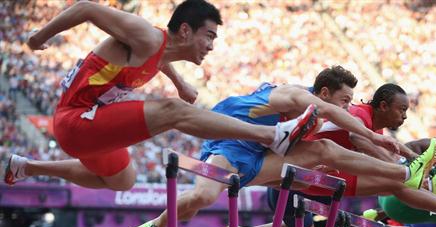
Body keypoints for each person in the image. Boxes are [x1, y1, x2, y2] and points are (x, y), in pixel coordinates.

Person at [123, 75, 436, 227]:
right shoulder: (290, 94)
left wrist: (389, 148)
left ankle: (417, 177)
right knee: (200, 199)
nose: (347, 106)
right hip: (233, 146)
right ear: (323, 93)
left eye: (350, 100)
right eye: (343, 99)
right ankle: (155, 226)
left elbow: (341, 124)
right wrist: (378, 139)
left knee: (324, 154)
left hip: (277, 159)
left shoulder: (333, 112)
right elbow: (336, 118)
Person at [4, 0, 319, 190]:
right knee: (171, 111)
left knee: (123, 181)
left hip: (87, 128)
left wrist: (180, 82)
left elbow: (161, 59)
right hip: (76, 119)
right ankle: (270, 135)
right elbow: (87, 9)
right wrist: (38, 37)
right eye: (208, 36)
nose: (211, 46)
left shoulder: (160, 50)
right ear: (185, 30)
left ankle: (27, 167)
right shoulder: (145, 34)